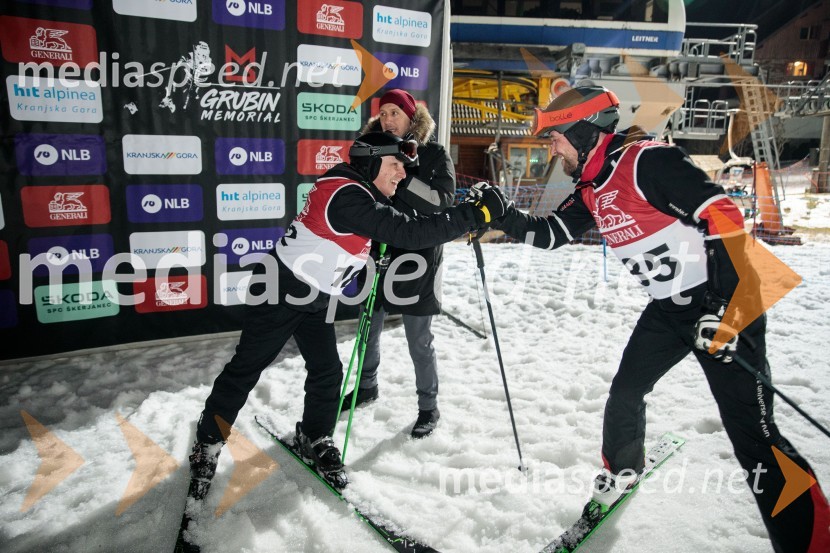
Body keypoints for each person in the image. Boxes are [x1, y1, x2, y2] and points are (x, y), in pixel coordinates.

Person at [495, 85, 829, 552]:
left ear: (583, 130)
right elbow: (552, 234)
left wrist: (723, 308)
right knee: (626, 392)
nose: (551, 147)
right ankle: (621, 473)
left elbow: (723, 214)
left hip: (728, 302)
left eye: (556, 136)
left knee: (754, 439)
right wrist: (499, 214)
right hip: (670, 309)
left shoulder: (646, 161)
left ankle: (812, 543)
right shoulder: (593, 185)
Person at [187, 131, 507, 499]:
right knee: (247, 368)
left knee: (327, 371)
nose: (401, 175)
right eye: (395, 166)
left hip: (312, 293)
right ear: (370, 162)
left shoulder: (359, 192)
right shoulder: (347, 194)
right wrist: (474, 212)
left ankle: (314, 434)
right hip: (280, 290)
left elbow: (369, 238)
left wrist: (369, 261)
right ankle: (207, 442)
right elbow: (411, 230)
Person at [341, 89, 456, 438]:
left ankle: (428, 406)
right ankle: (366, 387)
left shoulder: (434, 154)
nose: (389, 120)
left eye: (396, 113)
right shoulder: (370, 152)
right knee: (367, 331)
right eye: (384, 113)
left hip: (420, 259)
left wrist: (401, 172)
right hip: (376, 254)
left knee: (418, 339)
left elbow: (441, 203)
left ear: (412, 119)